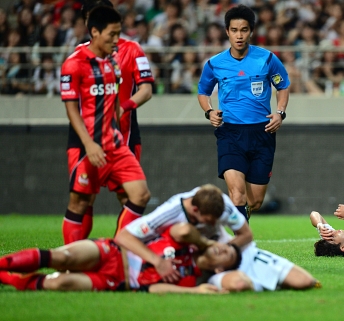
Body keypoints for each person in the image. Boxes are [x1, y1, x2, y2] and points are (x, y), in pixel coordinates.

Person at [59, 5, 151, 245]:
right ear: (95, 31)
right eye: (112, 34)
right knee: (81, 201)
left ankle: (120, 249)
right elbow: (71, 109)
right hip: (86, 144)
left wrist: (119, 124)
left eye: (118, 33)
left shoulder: (113, 61)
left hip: (116, 142)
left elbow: (120, 100)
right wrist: (89, 144)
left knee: (138, 194)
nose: (116, 39)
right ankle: (71, 261)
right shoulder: (74, 63)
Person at [197, 5, 291, 221]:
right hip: (229, 132)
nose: (239, 35)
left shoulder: (267, 59)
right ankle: (241, 246)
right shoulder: (214, 64)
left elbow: (283, 86)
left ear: (251, 31)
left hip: (262, 132)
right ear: (227, 31)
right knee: (237, 194)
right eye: (234, 30)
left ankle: (240, 219)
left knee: (255, 201)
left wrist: (280, 113)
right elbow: (203, 92)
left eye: (244, 30)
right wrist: (209, 111)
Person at [0, 222, 222, 294]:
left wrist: (192, 291)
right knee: (62, 257)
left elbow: (154, 289)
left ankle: (5, 278)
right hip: (115, 252)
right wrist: (206, 243)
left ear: (220, 269)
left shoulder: (193, 280)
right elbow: (182, 229)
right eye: (221, 247)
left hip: (120, 281)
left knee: (61, 282)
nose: (220, 249)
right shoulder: (187, 243)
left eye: (224, 254)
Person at [114, 184, 253, 283]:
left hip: (212, 258)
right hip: (169, 259)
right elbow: (123, 236)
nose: (212, 225)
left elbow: (246, 235)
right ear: (195, 209)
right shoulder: (169, 213)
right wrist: (158, 262)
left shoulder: (224, 207)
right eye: (208, 221)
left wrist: (224, 249)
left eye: (215, 221)